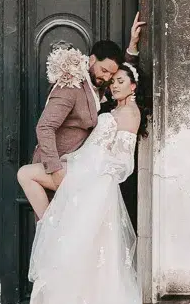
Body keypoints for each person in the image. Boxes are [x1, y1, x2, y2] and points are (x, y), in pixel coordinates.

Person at [24, 62, 159, 304]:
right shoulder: (112, 107)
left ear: (133, 86)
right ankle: (51, 223)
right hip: (81, 173)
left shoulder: (130, 114)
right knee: (30, 178)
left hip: (97, 184)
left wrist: (91, 167)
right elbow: (114, 68)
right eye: (114, 80)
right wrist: (132, 46)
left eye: (121, 80)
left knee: (83, 248)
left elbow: (124, 163)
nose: (115, 84)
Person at [17, 12, 146, 220]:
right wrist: (56, 170)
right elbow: (45, 127)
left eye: (110, 76)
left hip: (80, 170)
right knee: (52, 236)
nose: (106, 78)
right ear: (92, 60)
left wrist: (132, 46)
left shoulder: (98, 84)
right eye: (104, 71)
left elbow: (123, 79)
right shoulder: (71, 86)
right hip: (56, 167)